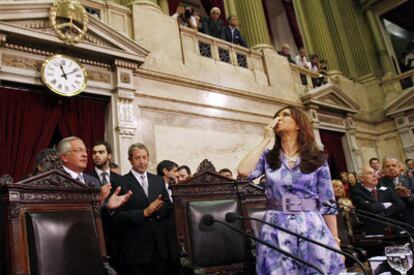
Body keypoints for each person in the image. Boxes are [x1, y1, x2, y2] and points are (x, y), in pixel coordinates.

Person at [237, 106, 344, 274]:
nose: (278, 118)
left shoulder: (317, 158)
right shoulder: (268, 157)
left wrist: (335, 238)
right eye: (276, 116)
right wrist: (265, 140)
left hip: (311, 225)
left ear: (298, 124)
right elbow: (244, 171)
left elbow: (327, 202)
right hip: (276, 224)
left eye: (285, 115)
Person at [115, 143, 172, 275]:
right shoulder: (121, 182)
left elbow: (168, 205)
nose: (142, 162)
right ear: (130, 160)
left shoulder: (157, 180)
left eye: (145, 157)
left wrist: (157, 211)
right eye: (137, 158)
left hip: (159, 247)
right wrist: (144, 212)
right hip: (135, 249)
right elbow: (118, 216)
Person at [351, 165, 404, 235]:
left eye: (374, 173)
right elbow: (370, 208)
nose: (374, 175)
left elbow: (400, 204)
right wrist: (385, 205)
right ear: (361, 178)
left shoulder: (387, 190)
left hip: (395, 229)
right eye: (370, 173)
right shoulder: (356, 192)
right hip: (374, 232)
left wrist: (384, 213)